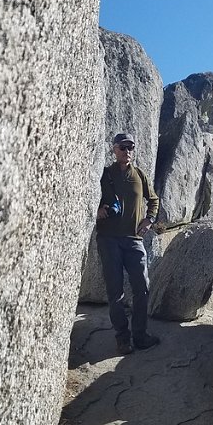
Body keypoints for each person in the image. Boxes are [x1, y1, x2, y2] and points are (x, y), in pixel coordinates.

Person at [96, 132, 160, 354]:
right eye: (123, 147)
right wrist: (98, 210)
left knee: (142, 288)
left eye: (131, 147)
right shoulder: (104, 174)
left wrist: (150, 219)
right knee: (115, 292)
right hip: (109, 239)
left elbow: (153, 199)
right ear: (114, 150)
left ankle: (140, 335)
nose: (127, 151)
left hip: (134, 239)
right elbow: (90, 197)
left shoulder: (139, 175)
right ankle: (122, 338)